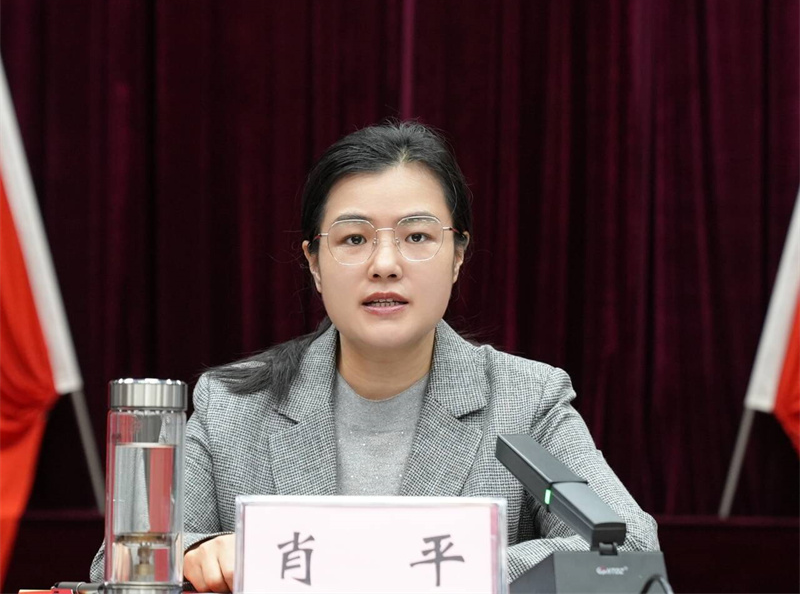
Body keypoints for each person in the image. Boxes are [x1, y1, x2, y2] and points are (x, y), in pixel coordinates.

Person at [91, 121, 659, 590]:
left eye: (417, 237)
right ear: (314, 263)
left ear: (458, 256)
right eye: (354, 239)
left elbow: (627, 546)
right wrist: (201, 551)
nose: (385, 264)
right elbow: (121, 561)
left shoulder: (527, 400)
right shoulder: (234, 403)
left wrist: (427, 567)